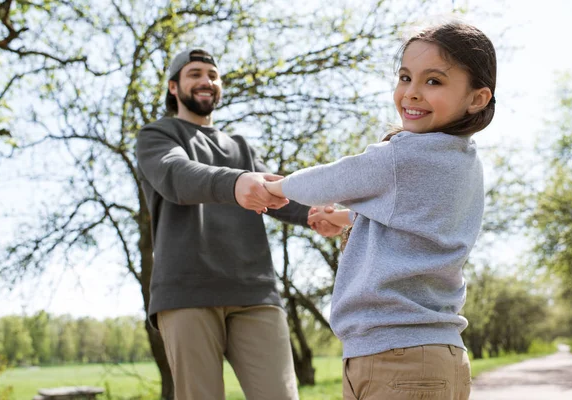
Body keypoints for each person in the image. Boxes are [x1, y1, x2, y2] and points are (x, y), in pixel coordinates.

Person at [265, 21, 496, 400]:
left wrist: (272, 188)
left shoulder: (406, 155)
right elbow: (417, 225)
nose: (411, 93)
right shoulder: (462, 160)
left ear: (477, 98)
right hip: (427, 354)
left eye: (433, 81)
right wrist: (344, 220)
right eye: (405, 77)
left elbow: (332, 180)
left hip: (398, 358)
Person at [135, 48, 340, 400]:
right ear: (173, 87)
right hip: (187, 293)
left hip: (255, 292)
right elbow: (177, 175)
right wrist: (235, 183)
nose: (206, 81)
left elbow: (275, 192)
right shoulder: (157, 136)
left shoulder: (240, 146)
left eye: (212, 75)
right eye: (195, 73)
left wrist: (313, 212)